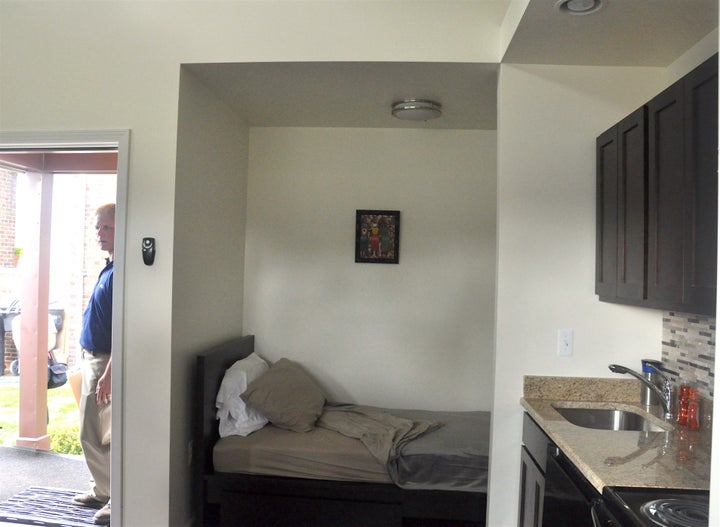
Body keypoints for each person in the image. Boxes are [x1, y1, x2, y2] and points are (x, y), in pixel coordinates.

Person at [72, 203, 115, 525]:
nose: (99, 234)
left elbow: (126, 328)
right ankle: (102, 491)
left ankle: (116, 499)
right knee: (90, 432)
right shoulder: (109, 265)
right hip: (93, 359)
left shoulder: (125, 271)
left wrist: (109, 374)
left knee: (104, 435)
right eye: (98, 227)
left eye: (106, 228)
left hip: (106, 364)